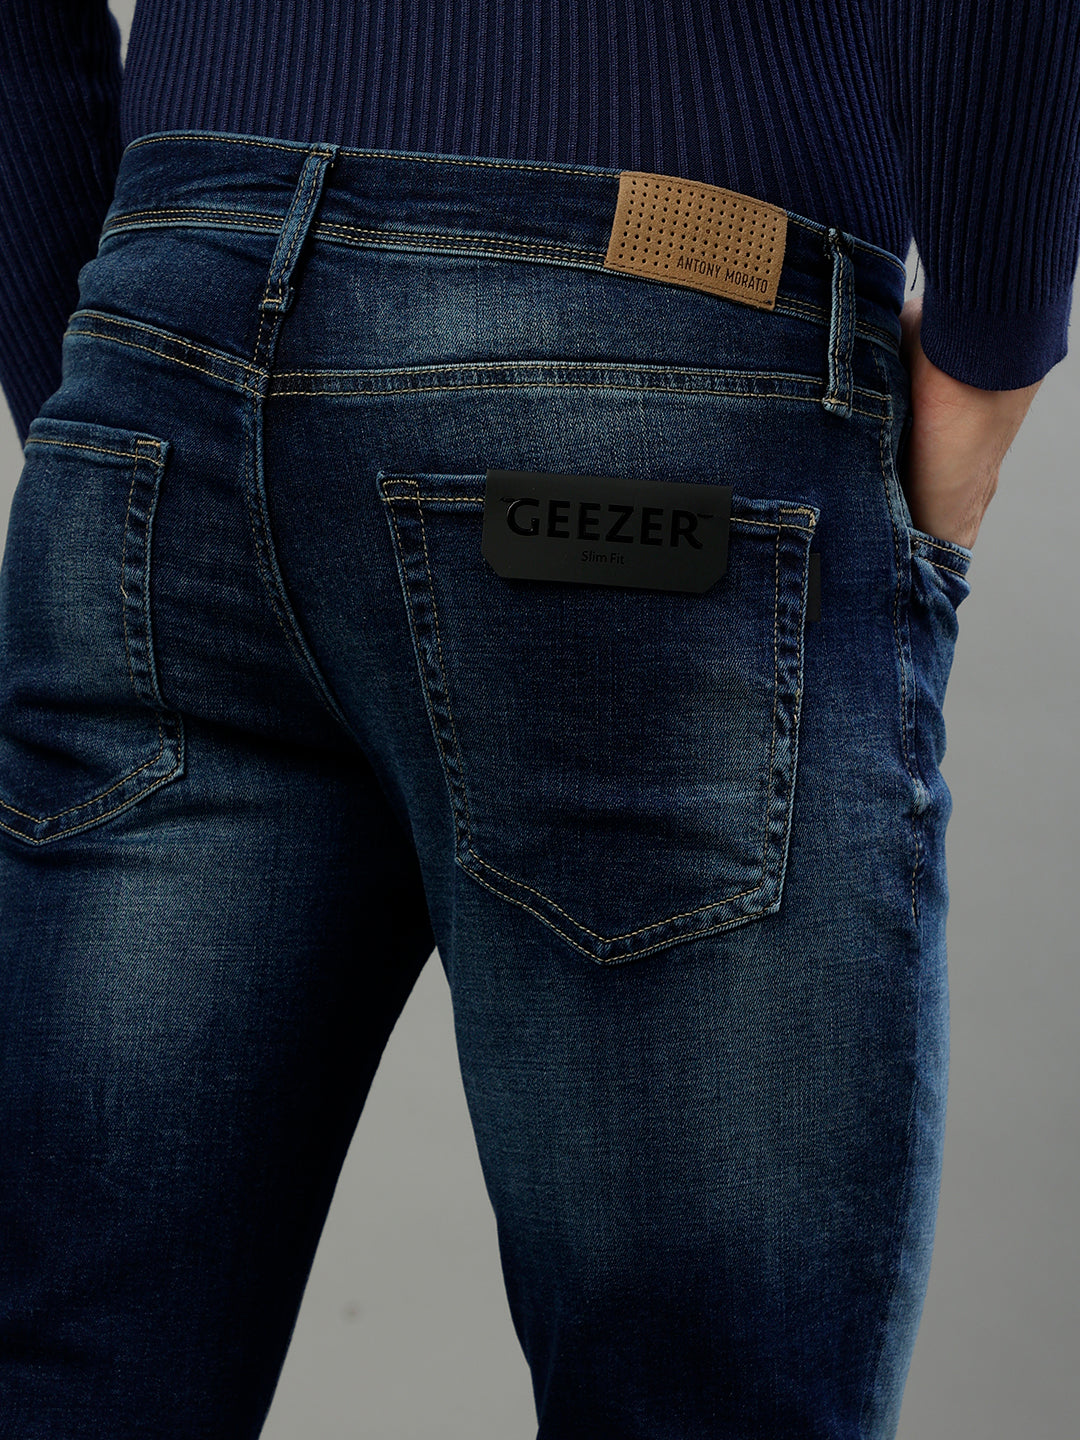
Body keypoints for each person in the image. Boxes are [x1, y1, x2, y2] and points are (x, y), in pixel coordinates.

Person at [0, 4, 1075, 1438]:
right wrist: (997, 338)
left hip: (171, 306)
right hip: (660, 296)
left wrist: (95, 368)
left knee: (67, 1372)